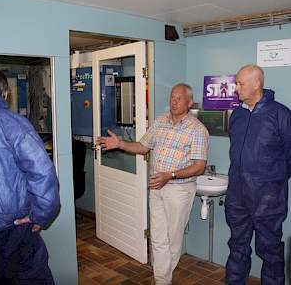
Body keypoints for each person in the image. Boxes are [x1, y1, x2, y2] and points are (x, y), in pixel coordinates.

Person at [98, 83, 209, 285]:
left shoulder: (197, 130)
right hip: (156, 187)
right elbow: (143, 146)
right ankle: (162, 280)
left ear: (189, 102)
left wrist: (171, 175)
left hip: (179, 190)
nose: (174, 102)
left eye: (179, 98)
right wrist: (120, 144)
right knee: (158, 238)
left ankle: (163, 277)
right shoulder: (159, 122)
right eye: (172, 97)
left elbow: (200, 166)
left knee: (173, 240)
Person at [225, 64, 291, 285]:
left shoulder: (281, 114)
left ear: (257, 84)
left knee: (271, 252)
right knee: (237, 247)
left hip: (268, 199)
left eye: (240, 83)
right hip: (237, 196)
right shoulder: (237, 115)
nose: (236, 88)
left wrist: (272, 182)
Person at [0, 69, 60, 285]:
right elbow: (43, 174)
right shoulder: (12, 124)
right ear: (5, 93)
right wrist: (40, 216)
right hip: (11, 230)